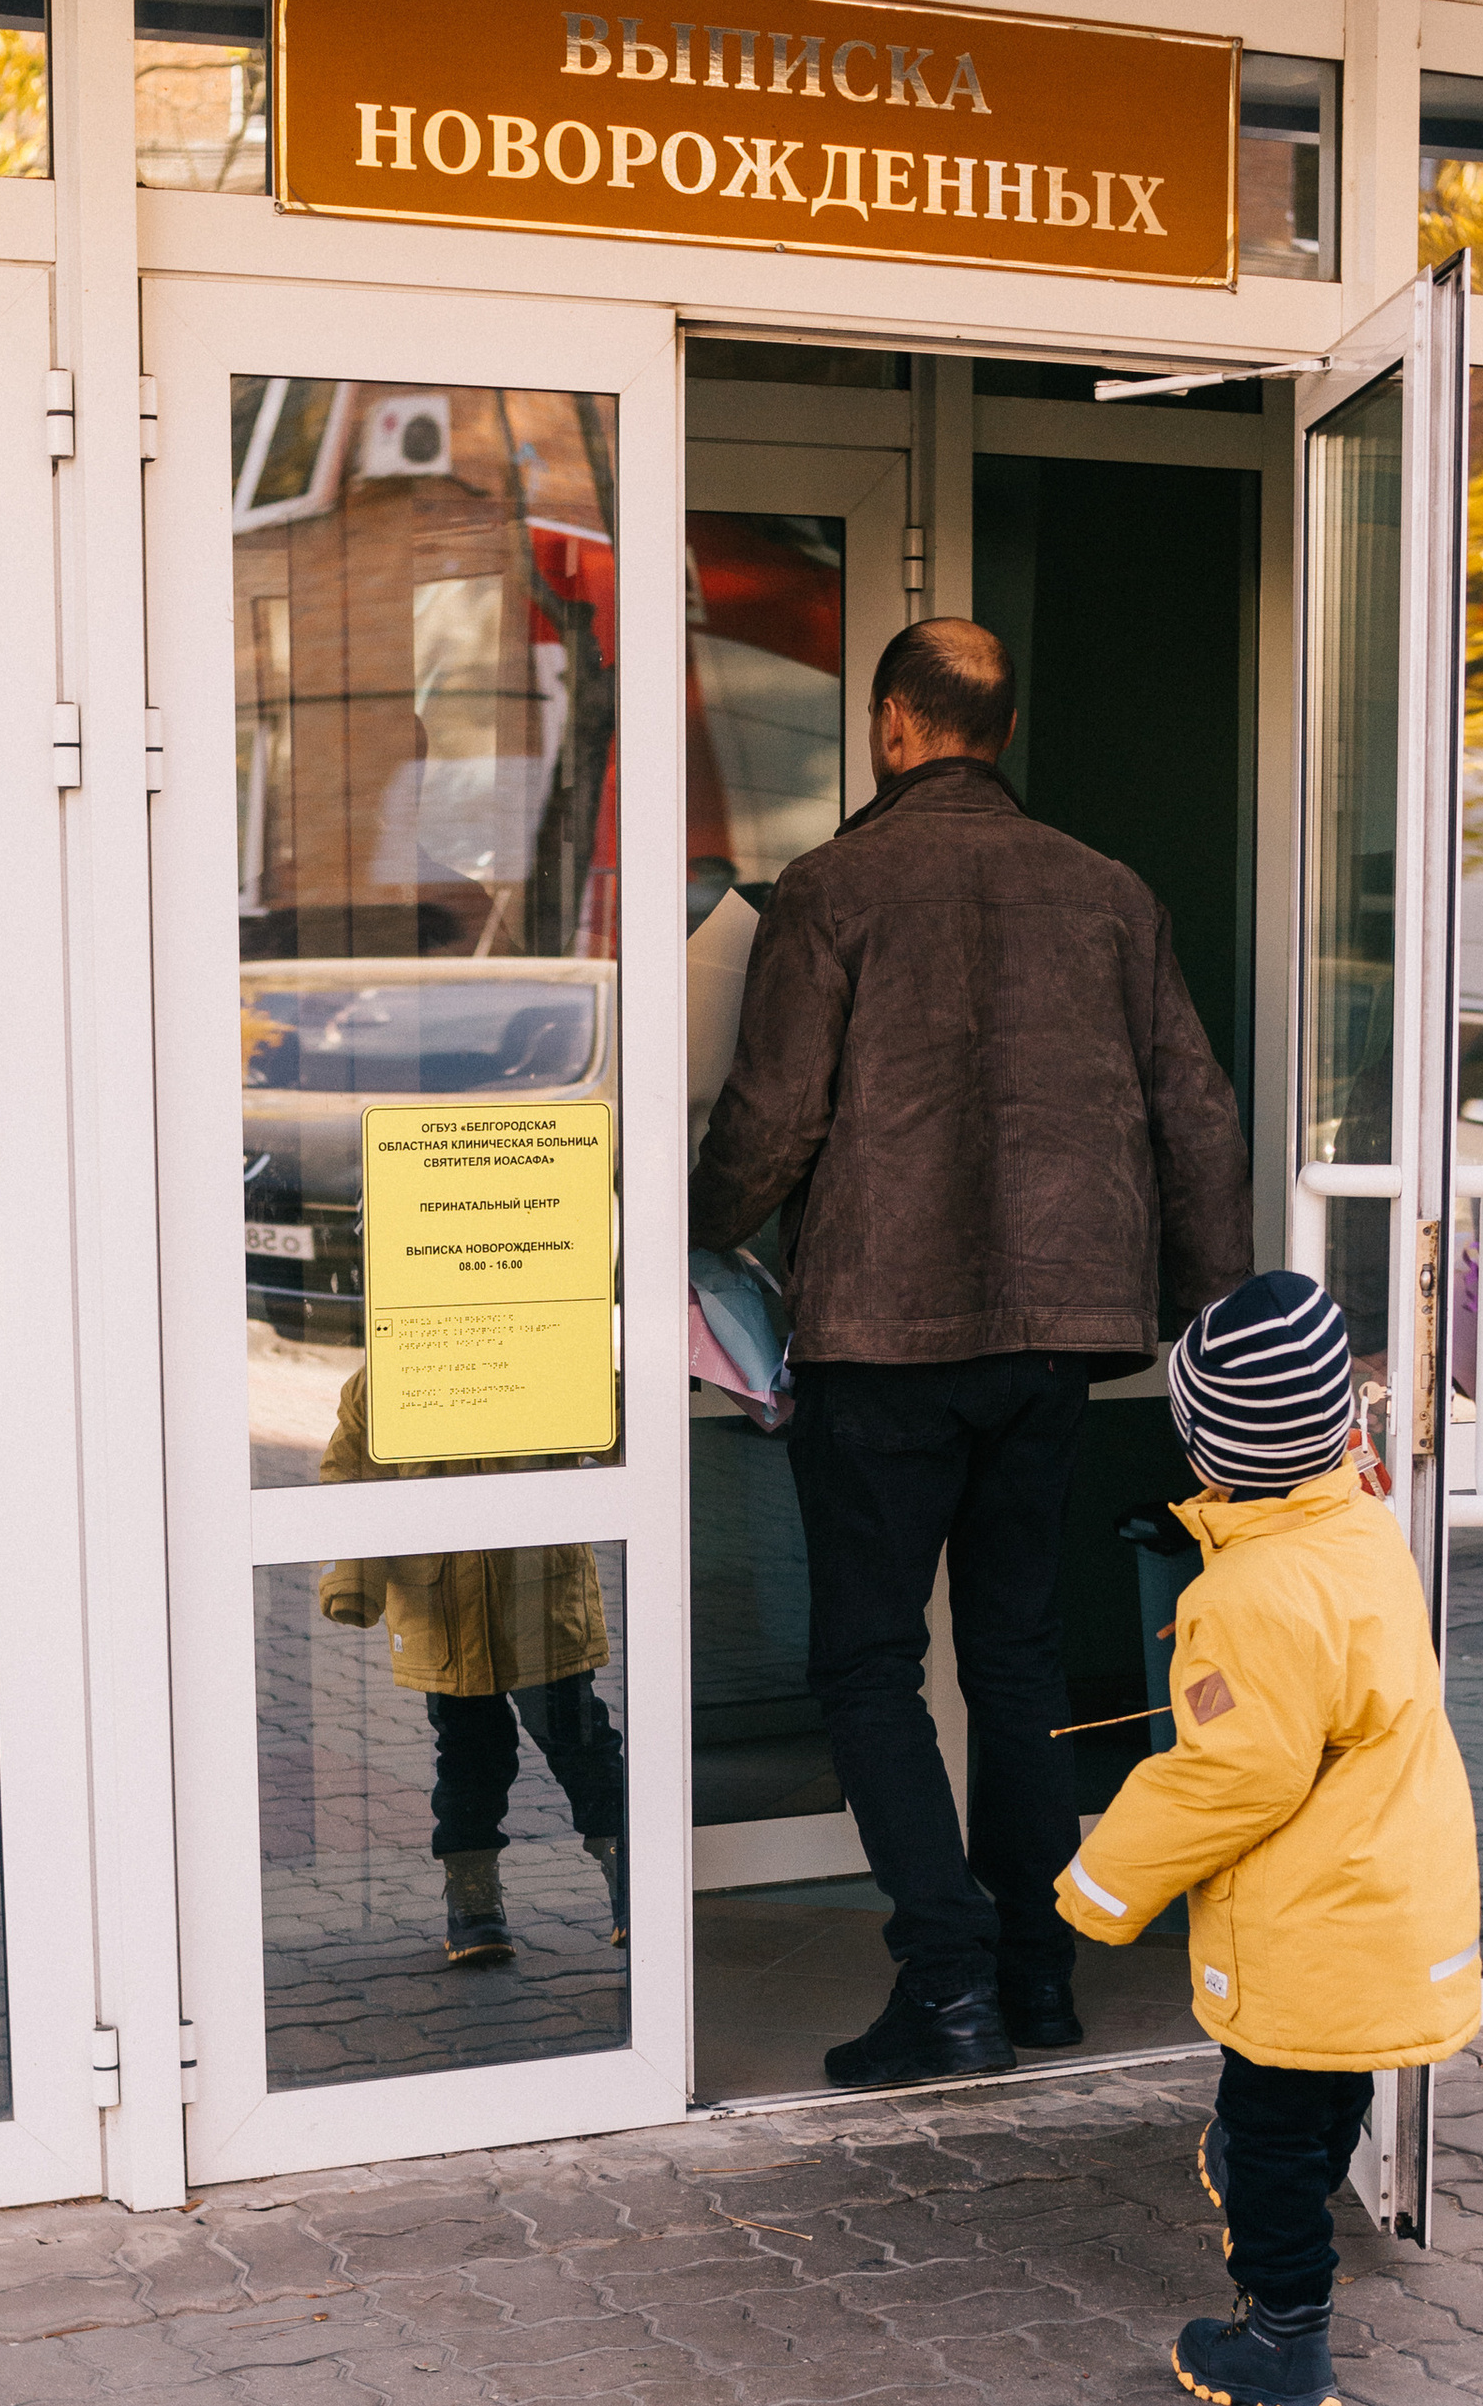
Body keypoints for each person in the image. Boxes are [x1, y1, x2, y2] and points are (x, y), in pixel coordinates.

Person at [690, 615, 1252, 2090]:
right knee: (1010, 1658)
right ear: (996, 729)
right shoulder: (1110, 895)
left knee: (871, 1664)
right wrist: (1213, 1335)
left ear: (892, 725)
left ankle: (943, 1982)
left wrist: (684, 1237)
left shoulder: (834, 890)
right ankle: (1039, 1973)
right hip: (1055, 1345)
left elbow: (773, 1120)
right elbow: (1198, 1115)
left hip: (882, 1340)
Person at [1057, 1271, 1482, 2406]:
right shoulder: (1356, 1526)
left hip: (1313, 1920)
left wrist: (1101, 1883)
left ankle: (1283, 2340)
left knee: (1272, 2130)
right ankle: (1265, 2201)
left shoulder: (1248, 1591)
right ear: (1338, 1425)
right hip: (1391, 1893)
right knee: (1320, 2097)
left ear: (1205, 1450)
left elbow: (1232, 1775)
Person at [318, 1363, 627, 1958]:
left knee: (579, 1739)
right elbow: (350, 1475)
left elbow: (613, 1426)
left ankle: (629, 1873)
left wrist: (597, 1377)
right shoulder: (385, 1373)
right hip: (444, 1607)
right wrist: (353, 1580)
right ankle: (472, 1896)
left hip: (538, 1589)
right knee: (468, 1756)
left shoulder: (539, 1343)